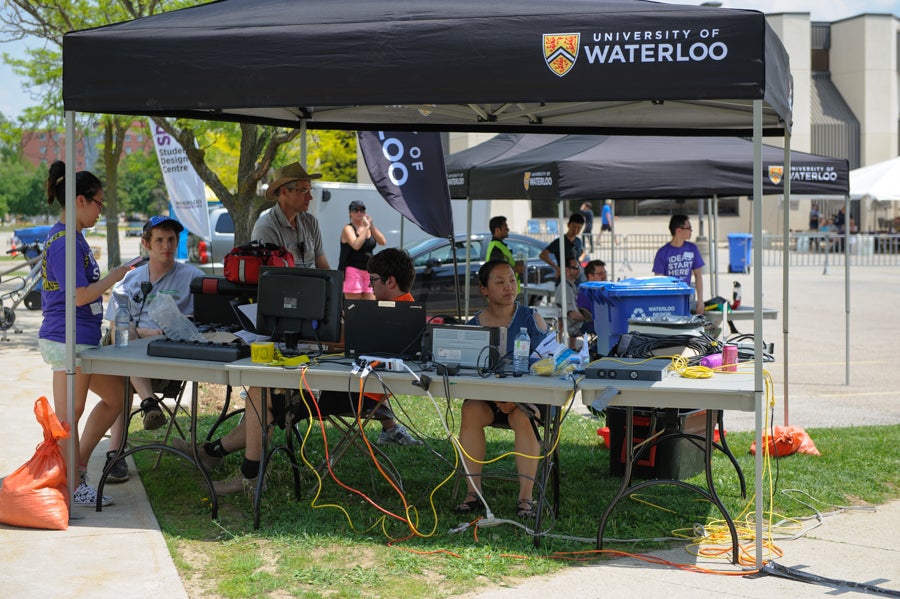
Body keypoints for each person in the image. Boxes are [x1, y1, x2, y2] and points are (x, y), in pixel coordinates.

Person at [205, 248, 423, 496]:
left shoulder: (393, 312)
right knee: (263, 401)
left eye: (373, 280)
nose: (370, 286)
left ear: (390, 281)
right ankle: (215, 454)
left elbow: (341, 339)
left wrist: (321, 327)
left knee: (260, 394)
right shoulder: (404, 309)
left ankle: (247, 473)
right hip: (356, 390)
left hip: (352, 394)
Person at [38, 161, 131, 508]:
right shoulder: (64, 241)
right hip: (67, 338)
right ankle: (70, 485)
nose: (100, 211)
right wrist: (114, 276)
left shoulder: (73, 237)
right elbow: (79, 295)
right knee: (69, 416)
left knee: (117, 397)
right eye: (99, 204)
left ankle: (75, 470)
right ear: (80, 200)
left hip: (81, 339)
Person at [103, 215, 205, 483]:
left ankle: (116, 455)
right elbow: (116, 324)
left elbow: (205, 323)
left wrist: (163, 333)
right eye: (159, 240)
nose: (167, 246)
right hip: (130, 355)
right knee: (122, 335)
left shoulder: (193, 277)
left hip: (168, 361)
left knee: (122, 374)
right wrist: (147, 332)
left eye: (171, 239)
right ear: (146, 244)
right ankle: (148, 406)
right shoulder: (129, 279)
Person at [454, 260, 548, 520]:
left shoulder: (532, 318)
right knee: (470, 410)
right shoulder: (473, 326)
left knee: (521, 416)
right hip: (489, 400)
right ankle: (473, 494)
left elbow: (549, 363)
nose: (509, 287)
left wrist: (516, 399)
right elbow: (470, 373)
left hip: (530, 400)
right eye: (500, 282)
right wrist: (498, 396)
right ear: (484, 289)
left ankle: (526, 498)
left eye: (511, 280)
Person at [252, 162, 331, 269]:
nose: (310, 197)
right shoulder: (266, 228)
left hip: (315, 285)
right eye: (304, 190)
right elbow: (272, 279)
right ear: (284, 191)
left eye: (310, 190)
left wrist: (333, 283)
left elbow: (323, 265)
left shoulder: (311, 222)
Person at [652, 214, 705, 315]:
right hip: (668, 299)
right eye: (688, 228)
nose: (691, 231)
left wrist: (700, 300)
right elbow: (659, 280)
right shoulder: (662, 252)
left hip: (686, 298)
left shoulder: (692, 248)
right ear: (678, 230)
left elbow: (698, 275)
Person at [339, 200, 386, 299]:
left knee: (370, 304)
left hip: (368, 271)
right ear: (350, 213)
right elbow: (356, 245)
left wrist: (371, 226)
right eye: (356, 210)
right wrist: (366, 228)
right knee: (354, 306)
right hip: (353, 270)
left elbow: (382, 241)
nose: (359, 213)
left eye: (362, 210)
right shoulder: (348, 229)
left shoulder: (368, 228)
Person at [538, 212, 585, 283]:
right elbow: (543, 255)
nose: (576, 230)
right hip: (563, 279)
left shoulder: (578, 241)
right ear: (568, 225)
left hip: (577, 279)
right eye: (574, 226)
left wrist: (579, 262)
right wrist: (558, 268)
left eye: (579, 228)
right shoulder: (560, 242)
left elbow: (583, 252)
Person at [485, 215, 524, 290]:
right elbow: (498, 269)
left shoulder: (499, 245)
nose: (508, 229)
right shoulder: (496, 247)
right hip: (502, 292)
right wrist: (516, 269)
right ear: (497, 230)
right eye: (505, 227)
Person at [556, 256, 587, 348]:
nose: (579, 270)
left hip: (572, 327)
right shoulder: (566, 288)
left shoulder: (570, 285)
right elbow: (572, 315)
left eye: (579, 266)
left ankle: (573, 348)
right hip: (573, 326)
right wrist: (591, 318)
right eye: (575, 267)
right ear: (567, 270)